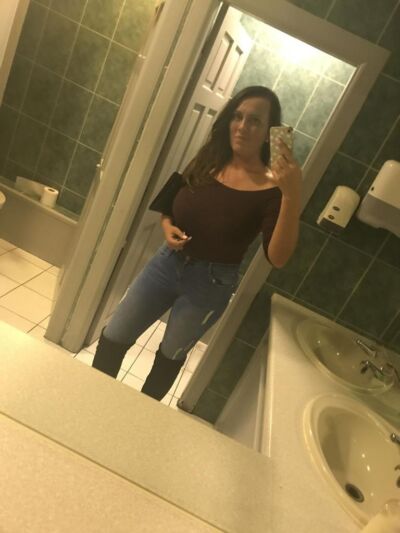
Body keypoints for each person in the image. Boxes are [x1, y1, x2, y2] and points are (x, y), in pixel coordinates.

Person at [92, 85, 302, 400]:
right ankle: (91, 403)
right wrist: (167, 228)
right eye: (238, 116)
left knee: (169, 357)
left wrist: (291, 195)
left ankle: (137, 419)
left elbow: (279, 257)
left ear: (269, 132)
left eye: (255, 120)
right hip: (166, 264)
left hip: (210, 284)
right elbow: (170, 205)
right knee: (113, 337)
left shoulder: (274, 189)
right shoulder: (210, 159)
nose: (242, 126)